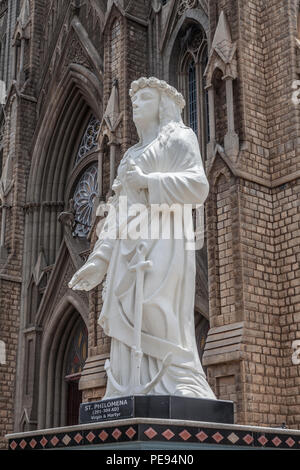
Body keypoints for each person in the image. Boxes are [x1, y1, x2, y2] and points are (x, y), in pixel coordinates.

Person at [69, 77, 216, 400]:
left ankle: (177, 378)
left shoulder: (179, 138)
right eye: (134, 101)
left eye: (145, 99)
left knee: (154, 308)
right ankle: (127, 385)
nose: (136, 105)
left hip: (164, 241)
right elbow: (118, 209)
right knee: (127, 313)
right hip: (127, 247)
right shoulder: (131, 154)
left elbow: (197, 187)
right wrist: (99, 259)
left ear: (162, 104)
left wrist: (149, 181)